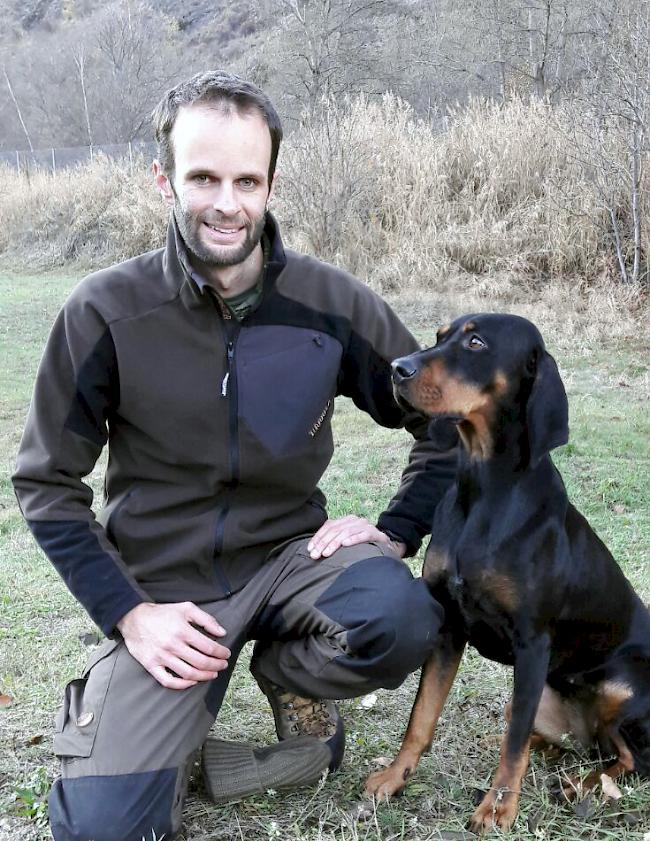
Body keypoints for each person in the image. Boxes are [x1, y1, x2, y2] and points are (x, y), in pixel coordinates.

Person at [12, 71, 455, 841]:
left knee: (402, 613)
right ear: (164, 179)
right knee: (101, 829)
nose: (227, 202)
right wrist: (131, 613)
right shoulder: (103, 312)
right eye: (204, 178)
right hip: (168, 592)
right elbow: (45, 482)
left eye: (247, 180)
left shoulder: (332, 303)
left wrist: (396, 530)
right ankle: (195, 732)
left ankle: (288, 675)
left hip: (292, 560)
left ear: (271, 182)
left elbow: (449, 423)